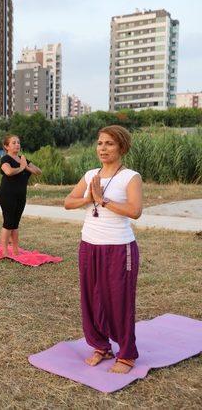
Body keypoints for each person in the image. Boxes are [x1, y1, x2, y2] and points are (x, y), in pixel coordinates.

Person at [64, 125, 142, 374]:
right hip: (89, 245)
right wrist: (89, 198)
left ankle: (127, 354)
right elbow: (68, 202)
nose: (103, 148)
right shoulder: (90, 175)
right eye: (100, 143)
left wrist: (103, 200)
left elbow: (135, 211)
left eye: (109, 143)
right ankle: (101, 346)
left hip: (119, 247)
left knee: (118, 301)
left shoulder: (130, 176)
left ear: (121, 147)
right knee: (91, 298)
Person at [0, 134, 42, 257]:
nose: (17, 144)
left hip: (21, 195)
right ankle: (5, 252)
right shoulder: (5, 159)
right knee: (8, 222)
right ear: (6, 146)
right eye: (13, 142)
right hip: (7, 194)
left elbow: (39, 172)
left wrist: (26, 166)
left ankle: (16, 250)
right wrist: (22, 168)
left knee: (15, 223)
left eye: (18, 142)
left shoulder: (23, 159)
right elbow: (9, 171)